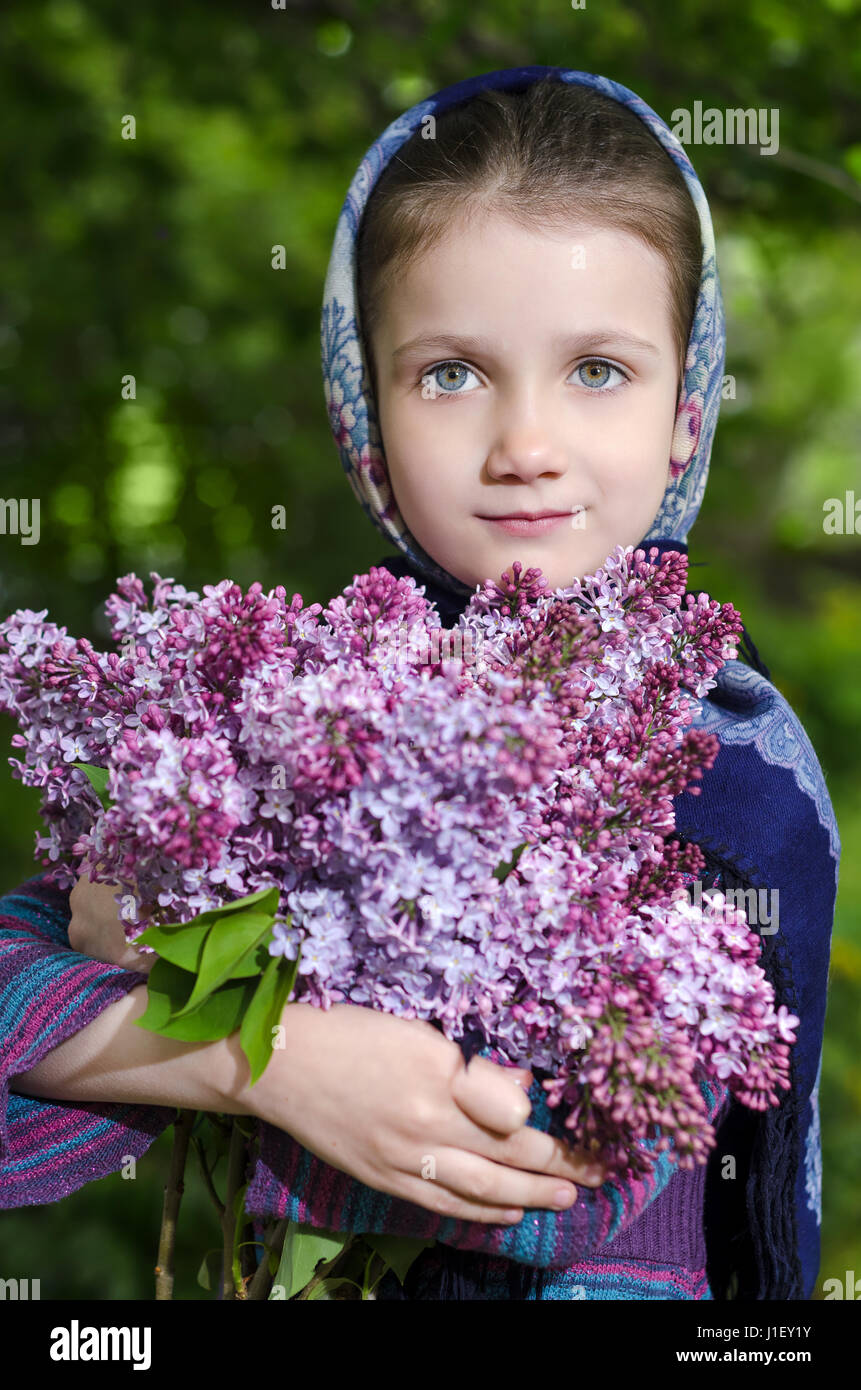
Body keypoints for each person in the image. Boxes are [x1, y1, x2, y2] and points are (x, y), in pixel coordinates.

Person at [0, 67, 838, 1302]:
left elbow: (561, 1157)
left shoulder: (733, 770)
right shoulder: (296, 697)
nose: (526, 445)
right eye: (452, 373)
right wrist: (268, 1061)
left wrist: (180, 993)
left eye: (598, 369)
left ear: (687, 414)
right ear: (364, 412)